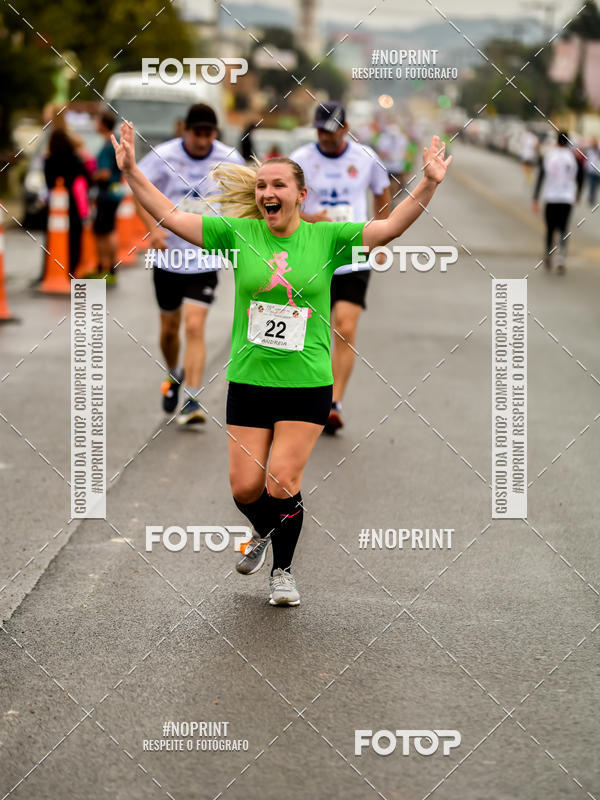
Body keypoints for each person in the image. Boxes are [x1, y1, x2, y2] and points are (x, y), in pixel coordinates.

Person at [112, 120, 452, 606]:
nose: (268, 192)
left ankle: (283, 573)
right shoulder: (238, 234)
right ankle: (263, 531)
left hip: (306, 382)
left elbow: (389, 227)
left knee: (281, 482)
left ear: (299, 194)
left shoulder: (328, 238)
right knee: (246, 488)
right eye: (262, 186)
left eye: (278, 185)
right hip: (249, 381)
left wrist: (430, 182)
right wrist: (129, 171)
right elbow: (169, 215)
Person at [136, 104, 245, 425]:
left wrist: (232, 231)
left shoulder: (229, 158)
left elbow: (239, 200)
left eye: (208, 133)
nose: (201, 140)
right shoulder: (163, 155)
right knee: (169, 330)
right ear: (185, 129)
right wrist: (153, 229)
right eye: (196, 132)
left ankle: (193, 399)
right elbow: (138, 187)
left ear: (215, 133)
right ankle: (174, 374)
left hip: (204, 256)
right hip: (169, 255)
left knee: (195, 326)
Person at [290, 102, 391, 434]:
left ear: (345, 129)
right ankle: (305, 394)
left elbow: (382, 194)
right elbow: (283, 204)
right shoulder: (302, 159)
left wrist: (379, 234)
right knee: (306, 330)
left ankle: (333, 403)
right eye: (320, 129)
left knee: (345, 327)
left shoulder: (366, 158)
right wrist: (308, 218)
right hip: (314, 254)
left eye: (331, 130)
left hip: (353, 254)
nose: (325, 136)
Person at [533, 130, 582, 274]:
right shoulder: (573, 158)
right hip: (567, 199)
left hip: (552, 197)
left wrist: (536, 198)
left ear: (556, 140)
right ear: (568, 142)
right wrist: (578, 193)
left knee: (550, 228)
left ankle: (548, 255)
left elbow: (541, 177)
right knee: (563, 228)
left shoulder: (549, 156)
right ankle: (561, 257)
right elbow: (580, 177)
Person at [43, 129, 90, 275]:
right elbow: (87, 179)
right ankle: (73, 269)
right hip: (74, 204)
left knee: (54, 238)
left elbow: (49, 184)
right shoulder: (76, 159)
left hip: (55, 207)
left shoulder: (48, 160)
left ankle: (54, 269)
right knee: (75, 237)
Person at [92, 111, 123, 284]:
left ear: (103, 124)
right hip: (115, 191)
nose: (95, 124)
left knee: (103, 230)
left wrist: (91, 175)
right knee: (109, 227)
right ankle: (109, 267)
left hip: (106, 193)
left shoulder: (106, 146)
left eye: (97, 121)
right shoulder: (114, 141)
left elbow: (104, 173)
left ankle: (106, 267)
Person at [585, 137, 600, 207]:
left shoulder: (598, 150)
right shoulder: (589, 149)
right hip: (591, 170)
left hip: (597, 170)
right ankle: (591, 199)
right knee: (591, 185)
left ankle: (592, 198)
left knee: (595, 186)